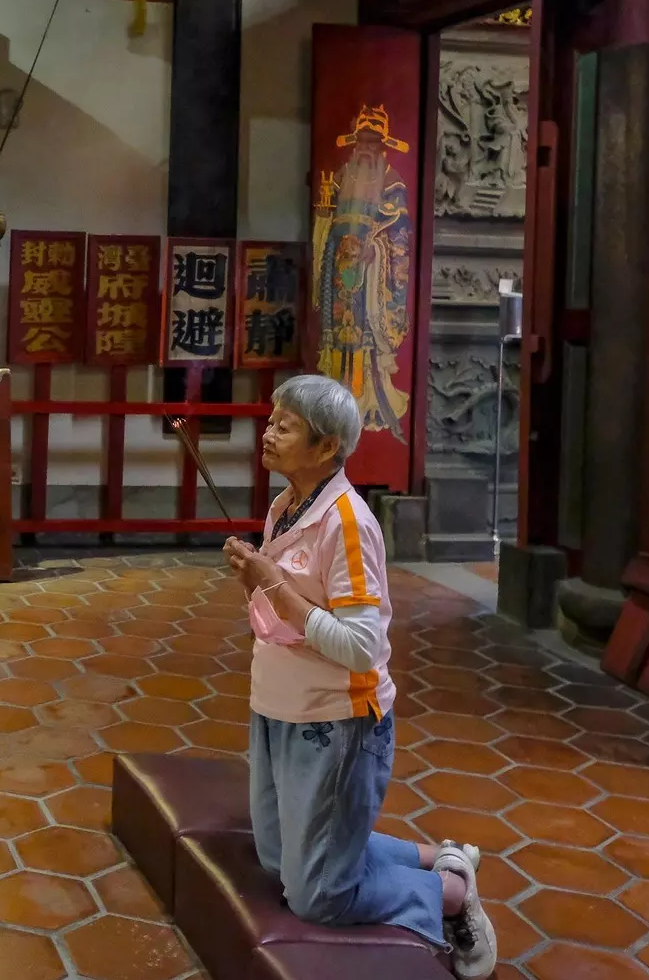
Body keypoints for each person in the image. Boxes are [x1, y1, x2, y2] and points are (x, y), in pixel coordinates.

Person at [224, 374, 496, 979]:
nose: (267, 433)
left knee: (318, 895)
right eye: (271, 420)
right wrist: (261, 577)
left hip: (336, 721)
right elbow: (283, 609)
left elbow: (361, 647)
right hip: (276, 706)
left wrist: (271, 582)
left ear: (326, 448)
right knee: (277, 856)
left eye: (284, 426)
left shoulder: (349, 522)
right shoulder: (284, 507)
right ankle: (434, 855)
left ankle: (452, 894)